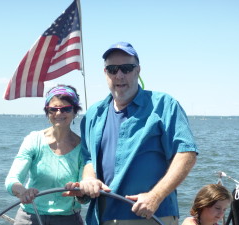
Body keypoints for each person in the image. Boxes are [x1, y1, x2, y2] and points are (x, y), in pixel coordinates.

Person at [66, 41, 198, 225]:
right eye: (112, 69)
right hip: (101, 218)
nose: (119, 75)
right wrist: (88, 179)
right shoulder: (92, 115)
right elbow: (89, 159)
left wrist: (155, 196)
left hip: (151, 216)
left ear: (138, 71)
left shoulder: (164, 105)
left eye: (126, 68)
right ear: (105, 73)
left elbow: (187, 153)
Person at [5, 85, 84, 225]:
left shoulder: (83, 147)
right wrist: (22, 191)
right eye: (53, 109)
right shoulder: (33, 140)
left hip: (68, 219)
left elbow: (85, 198)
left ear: (75, 112)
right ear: (47, 112)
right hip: (29, 216)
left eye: (66, 109)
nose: (59, 114)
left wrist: (80, 190)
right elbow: (12, 179)